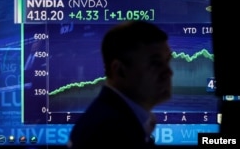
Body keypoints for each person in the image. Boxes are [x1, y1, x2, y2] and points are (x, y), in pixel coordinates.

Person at [67, 20, 173, 149]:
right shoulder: (108, 133)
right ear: (120, 70)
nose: (168, 72)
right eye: (155, 63)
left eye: (167, 61)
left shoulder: (117, 121)